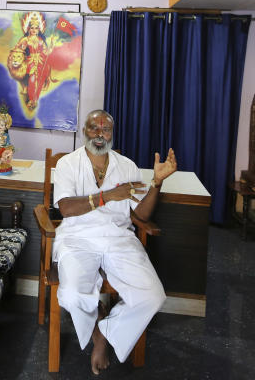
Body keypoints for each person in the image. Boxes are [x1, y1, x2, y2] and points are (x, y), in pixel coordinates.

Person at [52, 109, 176, 374]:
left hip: (118, 237)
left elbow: (140, 214)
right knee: (72, 296)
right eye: (94, 128)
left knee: (153, 295)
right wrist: (106, 196)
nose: (99, 134)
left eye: (105, 129)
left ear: (112, 133)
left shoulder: (127, 166)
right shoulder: (67, 164)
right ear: (85, 131)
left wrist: (157, 183)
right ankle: (97, 318)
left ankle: (105, 332)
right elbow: (64, 208)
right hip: (77, 238)